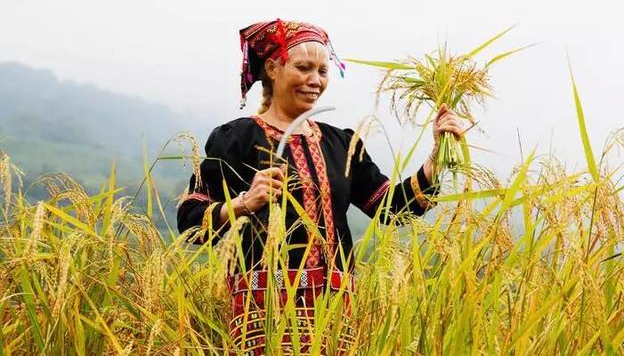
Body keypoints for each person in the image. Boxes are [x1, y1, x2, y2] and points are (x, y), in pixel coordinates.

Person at [177, 19, 464, 355]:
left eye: (323, 71)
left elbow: (391, 208)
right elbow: (190, 222)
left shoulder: (341, 143)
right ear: (272, 68)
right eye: (303, 68)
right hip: (263, 314)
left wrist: (437, 155)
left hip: (334, 311)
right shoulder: (236, 139)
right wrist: (243, 202)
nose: (315, 81)